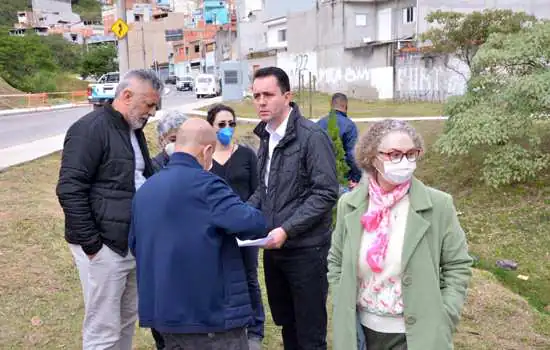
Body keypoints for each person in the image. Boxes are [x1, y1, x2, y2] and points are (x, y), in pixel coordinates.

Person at [327, 119, 473, 350]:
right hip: (360, 332)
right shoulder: (350, 204)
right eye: (394, 154)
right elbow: (336, 261)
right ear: (372, 157)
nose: (404, 162)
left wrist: (445, 316)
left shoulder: (439, 205)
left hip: (417, 336)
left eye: (410, 154)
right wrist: (340, 301)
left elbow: (458, 265)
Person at [129, 118, 268, 350]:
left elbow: (135, 244)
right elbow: (250, 222)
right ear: (207, 150)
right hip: (209, 316)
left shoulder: (146, 190)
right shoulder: (208, 185)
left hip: (164, 315)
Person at [56, 69, 163, 350]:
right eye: (149, 104)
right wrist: (93, 246)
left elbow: (137, 179)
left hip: (131, 244)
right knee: (103, 327)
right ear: (126, 96)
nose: (152, 112)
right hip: (104, 248)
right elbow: (70, 188)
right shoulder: (89, 129)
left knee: (127, 319)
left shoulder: (133, 131)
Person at [248, 66, 339, 349]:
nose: (261, 101)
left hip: (306, 251)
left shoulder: (312, 137)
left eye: (268, 94)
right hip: (275, 251)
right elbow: (264, 191)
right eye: (256, 95)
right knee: (288, 326)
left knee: (310, 333)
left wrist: (287, 229)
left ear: (288, 96)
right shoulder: (266, 136)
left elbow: (325, 193)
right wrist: (236, 216)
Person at [206, 104, 264, 350]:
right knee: (221, 277)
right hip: (217, 231)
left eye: (231, 123)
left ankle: (255, 328)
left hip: (246, 228)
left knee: (249, 276)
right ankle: (227, 325)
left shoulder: (247, 155)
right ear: (211, 127)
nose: (227, 129)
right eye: (221, 124)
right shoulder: (205, 159)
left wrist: (243, 213)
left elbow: (260, 188)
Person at [149, 109, 188, 349]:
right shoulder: (153, 167)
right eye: (172, 139)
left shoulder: (199, 164)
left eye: (182, 138)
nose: (177, 144)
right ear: (162, 141)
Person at [317, 92, 361, 188]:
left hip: (320, 178)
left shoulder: (318, 124)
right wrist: (357, 178)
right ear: (346, 106)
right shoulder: (349, 126)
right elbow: (352, 156)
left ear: (331, 105)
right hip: (343, 179)